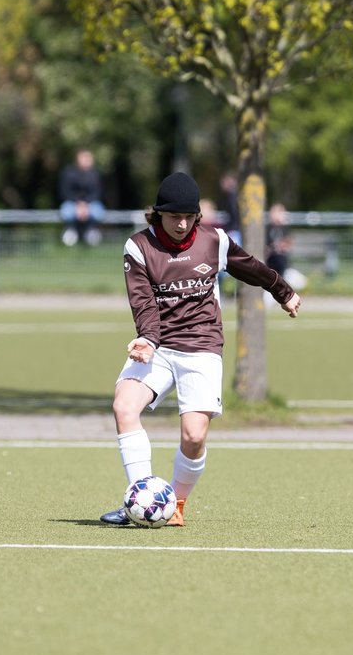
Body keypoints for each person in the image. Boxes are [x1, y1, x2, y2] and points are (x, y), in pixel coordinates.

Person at [100, 172, 302, 526]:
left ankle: (175, 504)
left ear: (197, 216)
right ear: (157, 214)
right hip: (158, 346)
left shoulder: (215, 241)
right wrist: (147, 339)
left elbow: (251, 268)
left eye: (188, 217)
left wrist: (283, 291)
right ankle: (141, 499)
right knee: (123, 406)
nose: (181, 224)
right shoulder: (139, 247)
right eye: (173, 216)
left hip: (201, 345)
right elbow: (143, 301)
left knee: (194, 436)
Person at [58, 149, 105, 247]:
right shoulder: (68, 173)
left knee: (98, 212)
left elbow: (97, 193)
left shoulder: (95, 175)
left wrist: (86, 205)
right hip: (72, 203)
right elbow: (65, 192)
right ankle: (71, 230)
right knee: (66, 212)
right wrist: (78, 204)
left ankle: (90, 230)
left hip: (91, 204)